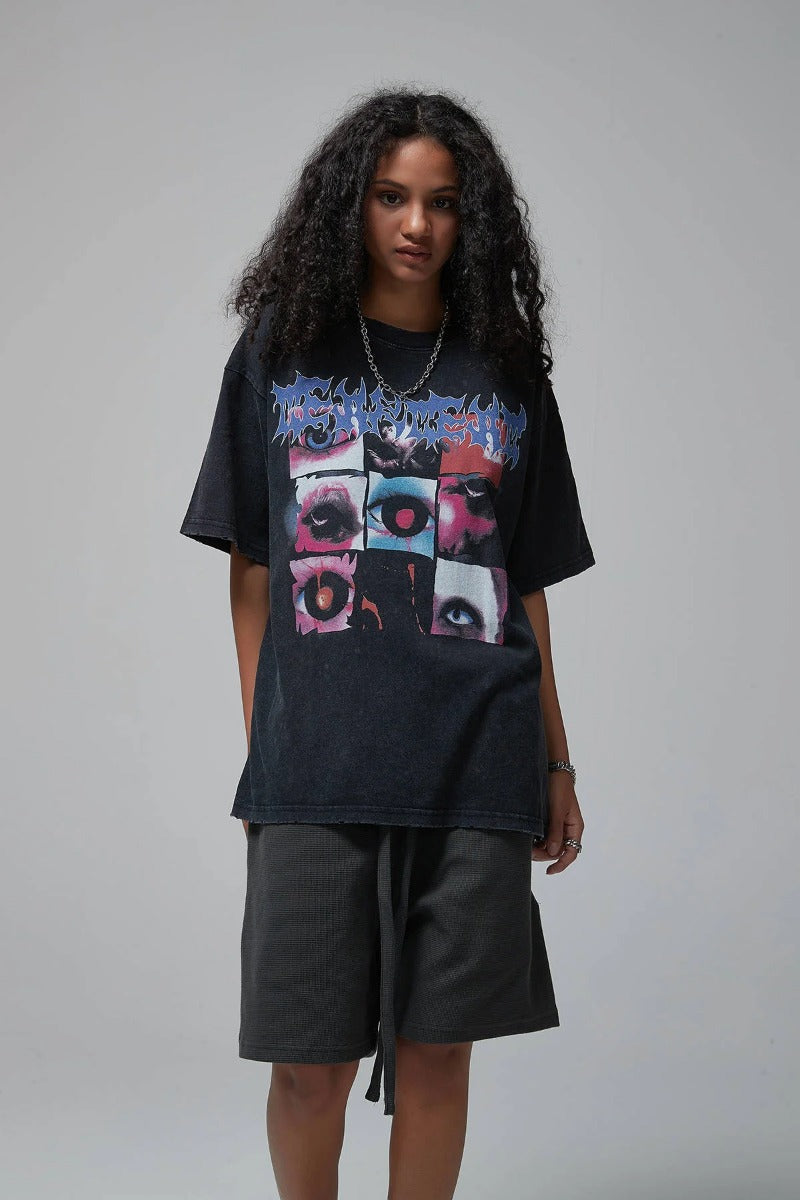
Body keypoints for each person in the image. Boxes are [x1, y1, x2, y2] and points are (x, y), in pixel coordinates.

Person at [179, 86, 595, 1200]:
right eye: (390, 196)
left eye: (443, 202)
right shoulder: (281, 353)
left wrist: (556, 763)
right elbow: (252, 567)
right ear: (347, 205)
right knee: (308, 1068)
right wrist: (271, 742)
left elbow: (523, 584)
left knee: (437, 1056)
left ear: (473, 219)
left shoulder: (506, 372)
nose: (417, 224)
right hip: (316, 761)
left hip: (477, 753)